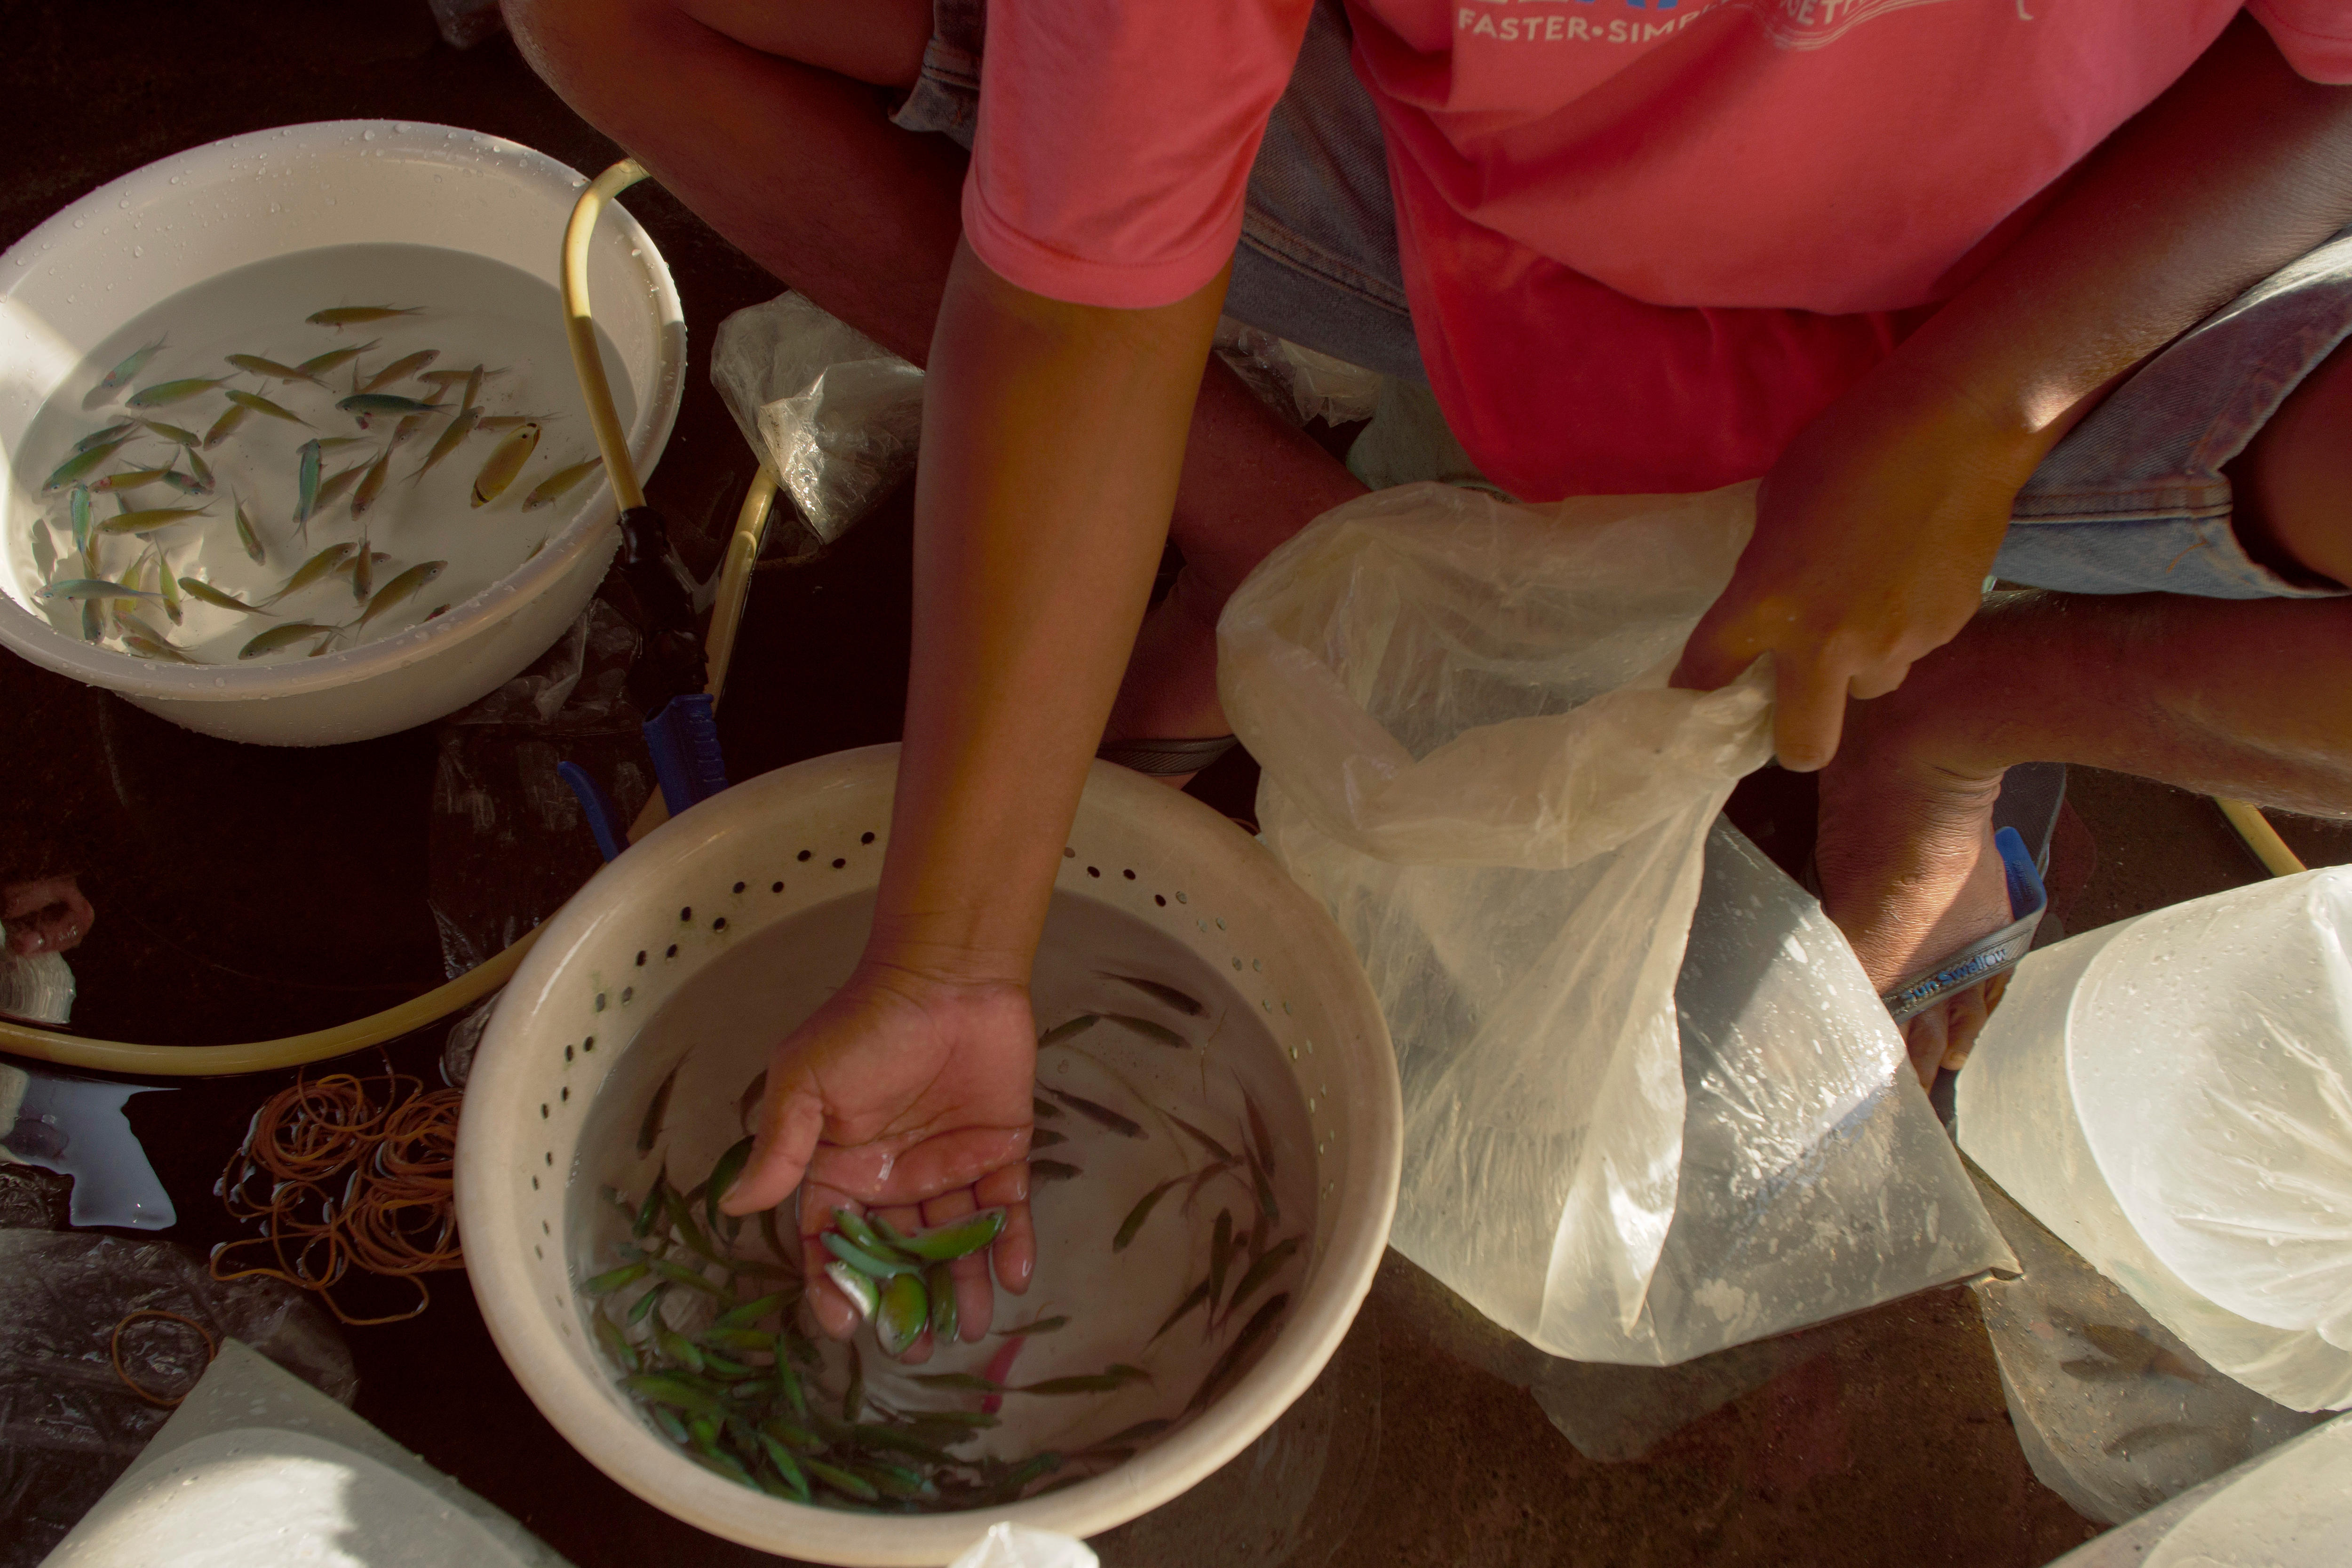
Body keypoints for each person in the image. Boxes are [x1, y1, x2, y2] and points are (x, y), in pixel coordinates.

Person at [503, 0, 2352, 1354]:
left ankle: (1972, 710)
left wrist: (1987, 393)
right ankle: (1307, 554)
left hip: (2105, 287)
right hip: (1503, 232)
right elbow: (1079, 291)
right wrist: (952, 954)